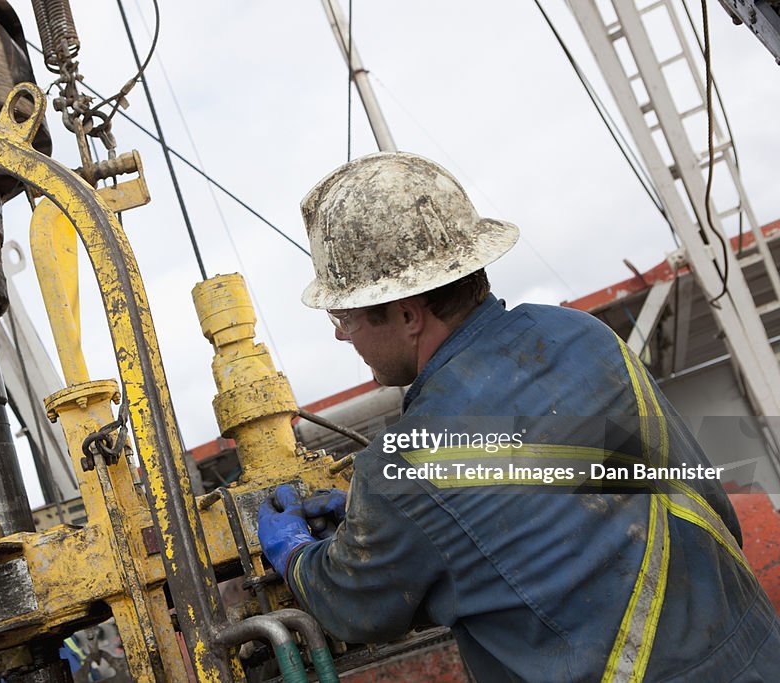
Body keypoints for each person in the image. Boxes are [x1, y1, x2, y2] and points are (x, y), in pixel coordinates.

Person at [256, 152, 780, 681]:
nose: (340, 335)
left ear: (408, 314)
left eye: (342, 316)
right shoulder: (586, 337)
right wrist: (387, 521)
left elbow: (354, 602)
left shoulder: (408, 467)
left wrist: (297, 553)